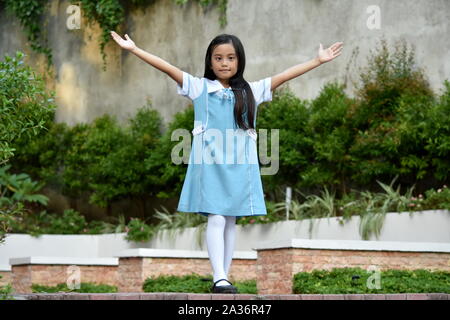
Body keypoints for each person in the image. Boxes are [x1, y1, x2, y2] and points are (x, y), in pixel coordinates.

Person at [110, 31, 343, 293]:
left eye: (230, 58)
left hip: (240, 164)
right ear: (210, 62)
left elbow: (286, 75)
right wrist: (135, 49)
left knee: (231, 220)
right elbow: (168, 68)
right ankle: (219, 276)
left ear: (239, 61)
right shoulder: (199, 87)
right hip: (209, 162)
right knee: (217, 217)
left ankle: (223, 277)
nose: (224, 63)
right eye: (218, 58)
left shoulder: (251, 90)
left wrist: (317, 61)